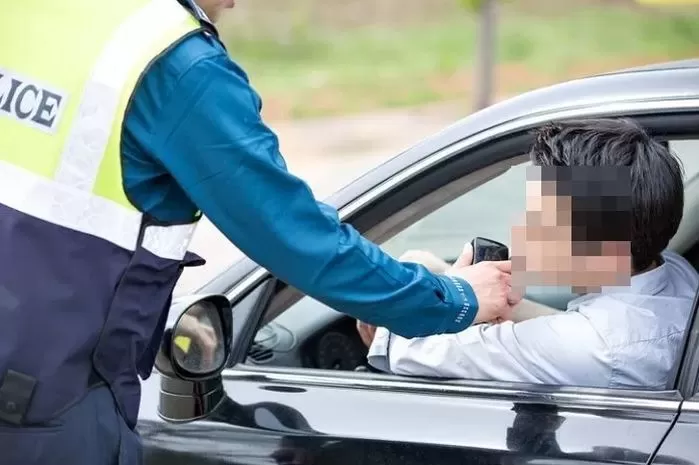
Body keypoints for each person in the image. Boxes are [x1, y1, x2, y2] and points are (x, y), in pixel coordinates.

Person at [0, 0, 518, 464]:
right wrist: (453, 299)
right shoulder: (173, 67)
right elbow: (296, 238)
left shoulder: (32, 14)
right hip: (45, 410)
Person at [361, 119, 699, 390]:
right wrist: (451, 276)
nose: (522, 222)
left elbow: (407, 347)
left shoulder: (592, 347)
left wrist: (447, 295)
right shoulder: (676, 272)